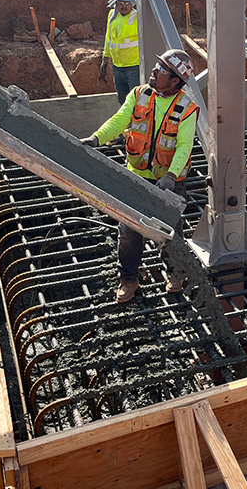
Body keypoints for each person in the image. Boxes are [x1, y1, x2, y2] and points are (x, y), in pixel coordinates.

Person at [81, 49, 198, 303]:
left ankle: (175, 274)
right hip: (136, 174)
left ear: (175, 80)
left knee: (170, 232)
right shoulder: (139, 94)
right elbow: (119, 120)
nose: (154, 71)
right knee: (129, 232)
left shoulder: (187, 108)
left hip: (168, 180)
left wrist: (171, 175)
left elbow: (184, 146)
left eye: (162, 70)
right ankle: (129, 279)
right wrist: (97, 138)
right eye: (157, 65)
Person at [101, 0, 139, 105]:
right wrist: (105, 58)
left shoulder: (138, 18)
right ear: (115, 2)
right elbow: (109, 38)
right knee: (122, 101)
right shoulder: (111, 15)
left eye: (127, 3)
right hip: (117, 67)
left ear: (132, 3)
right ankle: (127, 124)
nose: (124, 6)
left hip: (134, 67)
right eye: (121, 3)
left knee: (135, 102)